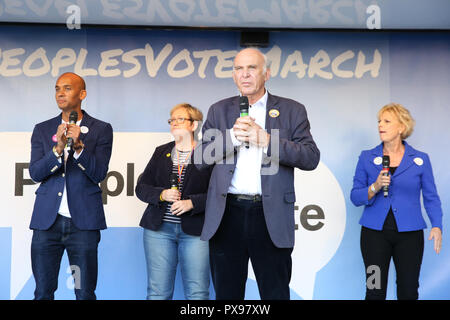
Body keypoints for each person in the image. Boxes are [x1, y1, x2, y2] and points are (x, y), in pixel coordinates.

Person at [196, 47, 320, 300]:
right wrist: (231, 136)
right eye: (239, 69)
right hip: (227, 214)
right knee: (227, 295)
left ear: (267, 74)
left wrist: (266, 140)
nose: (245, 74)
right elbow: (200, 159)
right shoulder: (218, 110)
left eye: (251, 68)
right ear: (233, 75)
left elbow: (310, 158)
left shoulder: (291, 110)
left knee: (275, 293)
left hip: (269, 215)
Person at [29, 72, 113, 300]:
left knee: (84, 293)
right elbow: (35, 173)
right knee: (42, 292)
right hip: (47, 224)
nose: (60, 93)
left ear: (82, 94)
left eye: (67, 88)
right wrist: (56, 151)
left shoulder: (101, 129)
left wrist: (79, 149)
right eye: (57, 88)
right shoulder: (43, 129)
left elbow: (99, 174)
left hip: (83, 225)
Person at [350, 103, 443, 300]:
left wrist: (437, 225)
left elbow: (431, 197)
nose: (380, 126)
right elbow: (355, 197)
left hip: (410, 237)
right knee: (374, 291)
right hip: (373, 236)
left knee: (408, 292)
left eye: (386, 121)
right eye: (379, 121)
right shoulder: (367, 157)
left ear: (401, 127)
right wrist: (375, 186)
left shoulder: (420, 159)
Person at [135, 103, 212, 300]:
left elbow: (219, 194)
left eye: (180, 119)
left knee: (198, 293)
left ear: (194, 125)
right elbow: (141, 188)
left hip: (195, 232)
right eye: (172, 119)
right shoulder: (161, 152)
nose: (174, 123)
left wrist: (192, 203)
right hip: (158, 231)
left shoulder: (208, 153)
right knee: (157, 293)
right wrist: (161, 195)